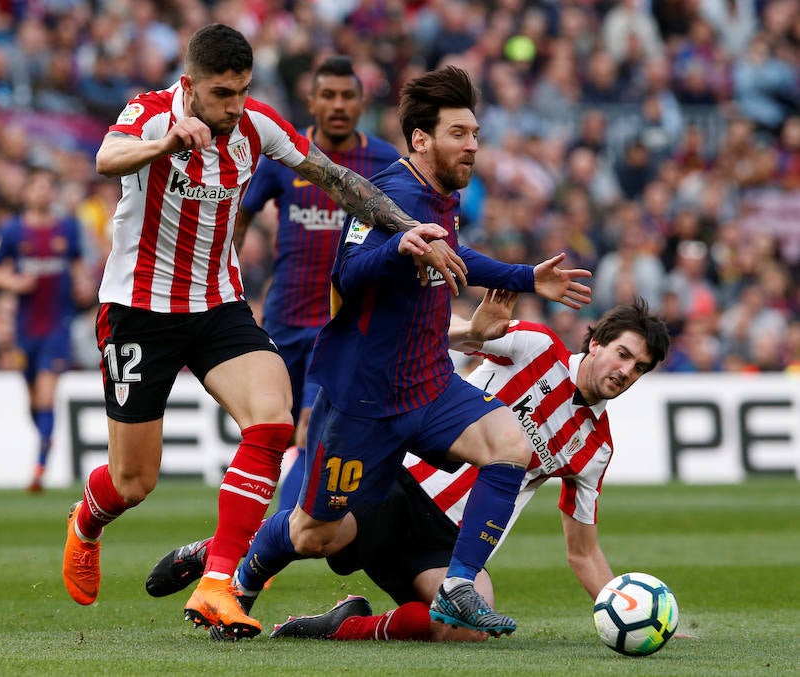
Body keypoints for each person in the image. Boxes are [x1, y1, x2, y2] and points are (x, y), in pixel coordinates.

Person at [60, 23, 469, 641]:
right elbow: (103, 159)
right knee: (133, 481)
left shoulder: (256, 125)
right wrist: (168, 141)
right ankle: (86, 523)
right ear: (191, 84)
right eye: (223, 94)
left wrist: (404, 226)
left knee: (274, 420)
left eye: (242, 92)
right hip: (138, 310)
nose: (234, 107)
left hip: (219, 307)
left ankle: (219, 584)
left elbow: (338, 180)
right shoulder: (148, 113)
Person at [189, 65, 592, 640]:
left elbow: (453, 253)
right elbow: (347, 273)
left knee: (512, 445)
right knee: (314, 533)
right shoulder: (391, 192)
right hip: (363, 404)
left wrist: (528, 277)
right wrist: (399, 247)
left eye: (475, 133)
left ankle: (458, 585)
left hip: (428, 386)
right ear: (422, 139)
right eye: (460, 133)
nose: (473, 145)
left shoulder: (441, 197)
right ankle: (244, 574)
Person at [147, 294, 671, 642]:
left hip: (450, 540)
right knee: (315, 537)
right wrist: (472, 329)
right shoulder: (535, 346)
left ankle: (338, 626)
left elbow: (583, 551)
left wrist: (627, 610)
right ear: (596, 342)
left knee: (465, 630)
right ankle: (226, 558)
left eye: (639, 368)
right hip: (405, 484)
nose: (625, 372)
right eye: (622, 354)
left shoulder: (595, 447)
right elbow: (436, 337)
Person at [234, 55, 400, 512]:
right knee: (269, 434)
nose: (338, 105)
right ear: (311, 102)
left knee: (312, 429)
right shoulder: (286, 155)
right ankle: (248, 536)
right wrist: (228, 280)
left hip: (342, 326)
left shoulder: (384, 161)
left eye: (348, 96)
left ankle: (268, 547)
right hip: (284, 320)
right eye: (328, 96)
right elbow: (241, 215)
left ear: (361, 102)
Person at [0, 166, 89, 492]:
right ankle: (44, 437)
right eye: (37, 187)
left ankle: (40, 465)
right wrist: (14, 282)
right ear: (27, 193)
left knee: (46, 393)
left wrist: (83, 283)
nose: (43, 192)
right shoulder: (11, 231)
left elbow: (77, 265)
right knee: (33, 398)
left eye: (48, 187)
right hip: (24, 328)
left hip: (57, 327)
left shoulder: (67, 228)